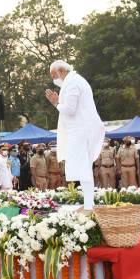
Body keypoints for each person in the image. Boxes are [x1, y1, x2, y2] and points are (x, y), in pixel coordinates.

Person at [45, 60, 105, 210]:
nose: (54, 79)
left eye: (54, 75)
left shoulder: (72, 82)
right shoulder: (75, 80)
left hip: (80, 131)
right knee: (83, 168)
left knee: (83, 168)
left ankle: (89, 206)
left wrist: (56, 104)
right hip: (80, 130)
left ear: (62, 71)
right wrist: (59, 102)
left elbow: (70, 110)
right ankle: (88, 204)